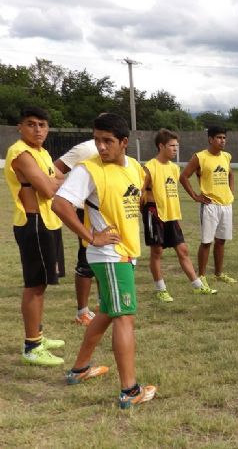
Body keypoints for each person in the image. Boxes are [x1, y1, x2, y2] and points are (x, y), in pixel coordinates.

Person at [52, 113, 156, 408]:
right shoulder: (87, 171)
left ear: (124, 143)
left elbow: (136, 193)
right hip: (109, 256)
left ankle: (79, 369)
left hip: (125, 253)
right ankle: (130, 390)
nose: (100, 146)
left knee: (108, 312)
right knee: (125, 316)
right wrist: (90, 235)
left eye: (107, 141)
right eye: (97, 140)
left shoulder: (135, 167)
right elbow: (60, 204)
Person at [4, 106, 66, 366]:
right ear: (20, 127)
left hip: (49, 222)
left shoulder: (42, 152)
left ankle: (37, 335)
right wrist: (53, 182)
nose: (37, 129)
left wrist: (53, 182)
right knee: (34, 285)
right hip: (34, 224)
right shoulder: (21, 153)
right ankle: (32, 346)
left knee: (42, 284)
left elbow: (57, 179)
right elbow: (48, 189)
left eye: (42, 124)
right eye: (31, 124)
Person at [142, 129, 218, 302]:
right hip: (155, 213)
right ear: (161, 146)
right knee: (157, 252)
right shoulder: (149, 168)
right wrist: (146, 214)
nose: (175, 149)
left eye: (177, 146)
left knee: (183, 250)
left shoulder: (174, 168)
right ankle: (160, 289)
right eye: (172, 146)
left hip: (172, 215)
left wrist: (192, 199)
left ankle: (197, 286)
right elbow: (141, 193)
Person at [179, 126, 236, 286]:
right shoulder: (200, 157)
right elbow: (184, 176)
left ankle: (218, 273)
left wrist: (231, 192)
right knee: (206, 241)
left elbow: (230, 174)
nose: (222, 141)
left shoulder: (226, 156)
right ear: (210, 139)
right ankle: (202, 275)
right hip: (210, 205)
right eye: (219, 137)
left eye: (224, 138)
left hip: (226, 204)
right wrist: (195, 196)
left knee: (221, 240)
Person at [54, 138, 99, 326]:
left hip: (109, 209)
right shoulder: (85, 149)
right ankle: (82, 311)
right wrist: (71, 192)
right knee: (87, 256)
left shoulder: (117, 149)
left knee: (106, 257)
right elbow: (54, 170)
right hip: (86, 210)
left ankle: (104, 303)